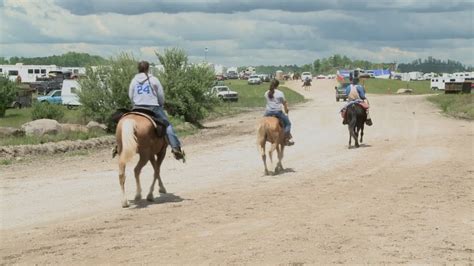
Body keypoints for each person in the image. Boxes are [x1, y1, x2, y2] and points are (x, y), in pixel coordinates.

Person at [129, 61, 185, 161]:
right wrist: (161, 104)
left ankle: (118, 145)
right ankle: (176, 148)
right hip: (152, 108)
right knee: (167, 125)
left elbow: (131, 95)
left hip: (137, 107)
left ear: (138, 69)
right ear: (148, 68)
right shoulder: (154, 80)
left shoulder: (134, 80)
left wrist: (135, 104)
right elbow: (161, 96)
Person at [264, 79, 294, 146]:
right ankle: (286, 138)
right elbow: (284, 103)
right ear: (277, 85)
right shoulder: (280, 93)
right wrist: (286, 109)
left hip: (268, 112)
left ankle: (263, 136)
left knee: (261, 124)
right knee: (288, 124)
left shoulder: (266, 93)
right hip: (277, 112)